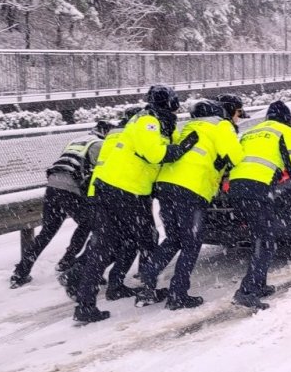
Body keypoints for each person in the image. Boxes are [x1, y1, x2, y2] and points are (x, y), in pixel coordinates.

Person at [72, 85, 199, 323]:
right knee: (140, 240)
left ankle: (89, 298)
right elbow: (156, 155)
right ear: (168, 103)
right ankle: (142, 289)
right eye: (175, 103)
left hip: (123, 190)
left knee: (116, 243)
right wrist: (184, 147)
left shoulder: (154, 122)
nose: (177, 108)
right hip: (123, 191)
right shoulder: (147, 122)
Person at [136, 99, 244, 310]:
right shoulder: (221, 125)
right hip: (191, 189)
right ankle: (178, 294)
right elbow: (237, 157)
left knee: (173, 238)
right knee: (191, 243)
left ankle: (147, 284)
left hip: (166, 186)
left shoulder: (189, 126)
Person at [9, 120, 113, 288]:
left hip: (53, 186)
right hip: (71, 189)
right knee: (91, 224)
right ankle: (69, 262)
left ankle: (20, 272)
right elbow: (101, 173)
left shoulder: (77, 140)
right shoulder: (99, 145)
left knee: (47, 231)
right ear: (105, 132)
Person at [57, 105, 143, 289]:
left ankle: (78, 274)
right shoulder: (130, 136)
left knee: (106, 240)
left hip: (98, 192)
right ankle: (89, 281)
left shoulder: (113, 135)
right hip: (119, 193)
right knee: (122, 240)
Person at [230, 100, 291, 310]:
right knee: (266, 242)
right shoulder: (284, 131)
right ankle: (247, 291)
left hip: (236, 188)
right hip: (256, 188)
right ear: (287, 118)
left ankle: (259, 285)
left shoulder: (252, 131)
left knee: (259, 237)